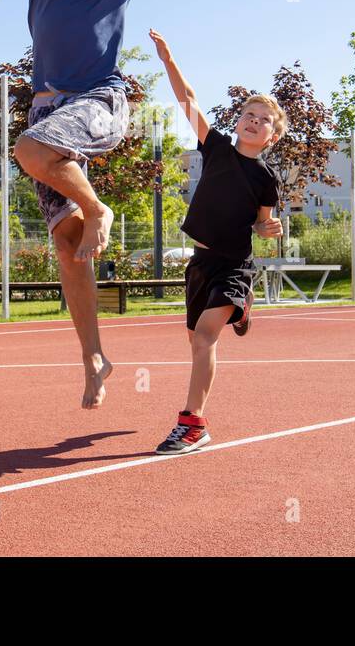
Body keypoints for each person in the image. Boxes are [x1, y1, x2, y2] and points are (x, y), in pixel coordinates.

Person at [14, 0, 208, 409]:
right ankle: (94, 357)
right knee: (69, 245)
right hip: (51, 109)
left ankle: (100, 207)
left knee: (30, 151)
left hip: (100, 102)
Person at [147, 29, 285, 454]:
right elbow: (187, 99)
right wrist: (168, 59)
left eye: (264, 120)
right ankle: (240, 312)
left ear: (272, 137)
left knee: (206, 337)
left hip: (235, 265)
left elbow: (263, 226)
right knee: (195, 342)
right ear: (239, 121)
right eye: (250, 113)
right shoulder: (217, 148)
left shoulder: (266, 179)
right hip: (199, 264)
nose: (255, 120)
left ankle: (192, 424)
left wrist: (269, 230)